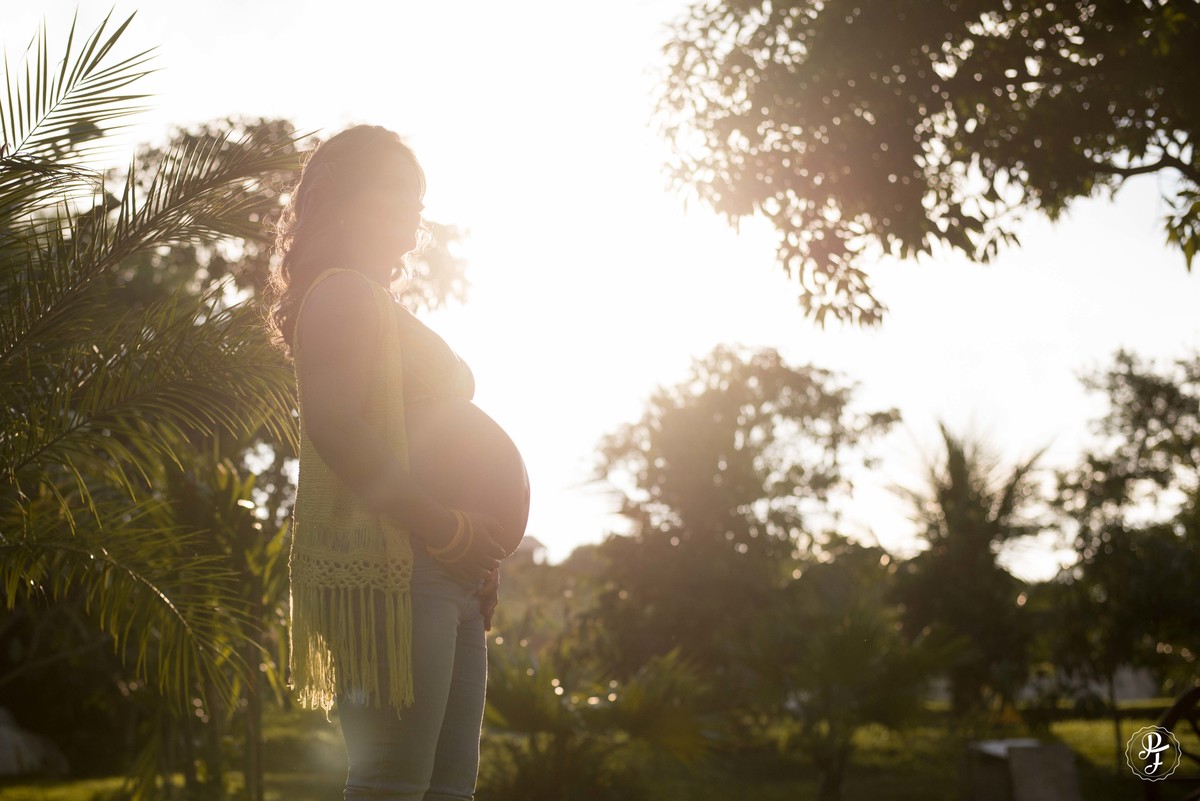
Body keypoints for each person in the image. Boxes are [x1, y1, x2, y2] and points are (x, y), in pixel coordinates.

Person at [262, 123, 509, 801]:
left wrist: (476, 556)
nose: (413, 210)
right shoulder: (341, 292)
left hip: (447, 572)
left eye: (418, 197)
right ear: (343, 198)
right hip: (400, 572)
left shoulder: (378, 301)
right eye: (396, 192)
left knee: (446, 789)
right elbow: (336, 426)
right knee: (391, 788)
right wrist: (444, 528)